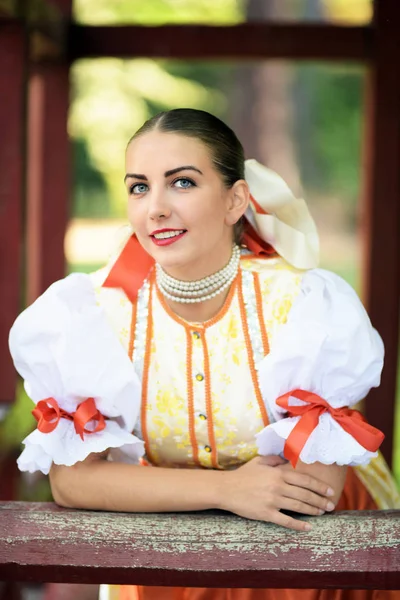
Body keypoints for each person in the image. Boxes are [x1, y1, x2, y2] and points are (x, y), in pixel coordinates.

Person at [9, 108, 400, 600]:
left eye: (182, 183)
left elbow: (313, 487)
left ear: (235, 199)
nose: (155, 209)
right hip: (172, 554)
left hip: (311, 554)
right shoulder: (95, 314)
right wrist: (226, 489)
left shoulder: (303, 304)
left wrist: (147, 491)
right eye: (139, 187)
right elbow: (73, 482)